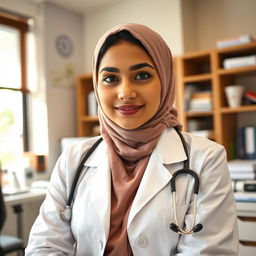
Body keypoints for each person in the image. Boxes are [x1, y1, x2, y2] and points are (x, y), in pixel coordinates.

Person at [25, 23, 238, 255]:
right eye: (110, 79)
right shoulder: (72, 160)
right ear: (96, 86)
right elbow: (44, 246)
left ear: (165, 81)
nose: (125, 92)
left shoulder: (206, 158)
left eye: (142, 75)